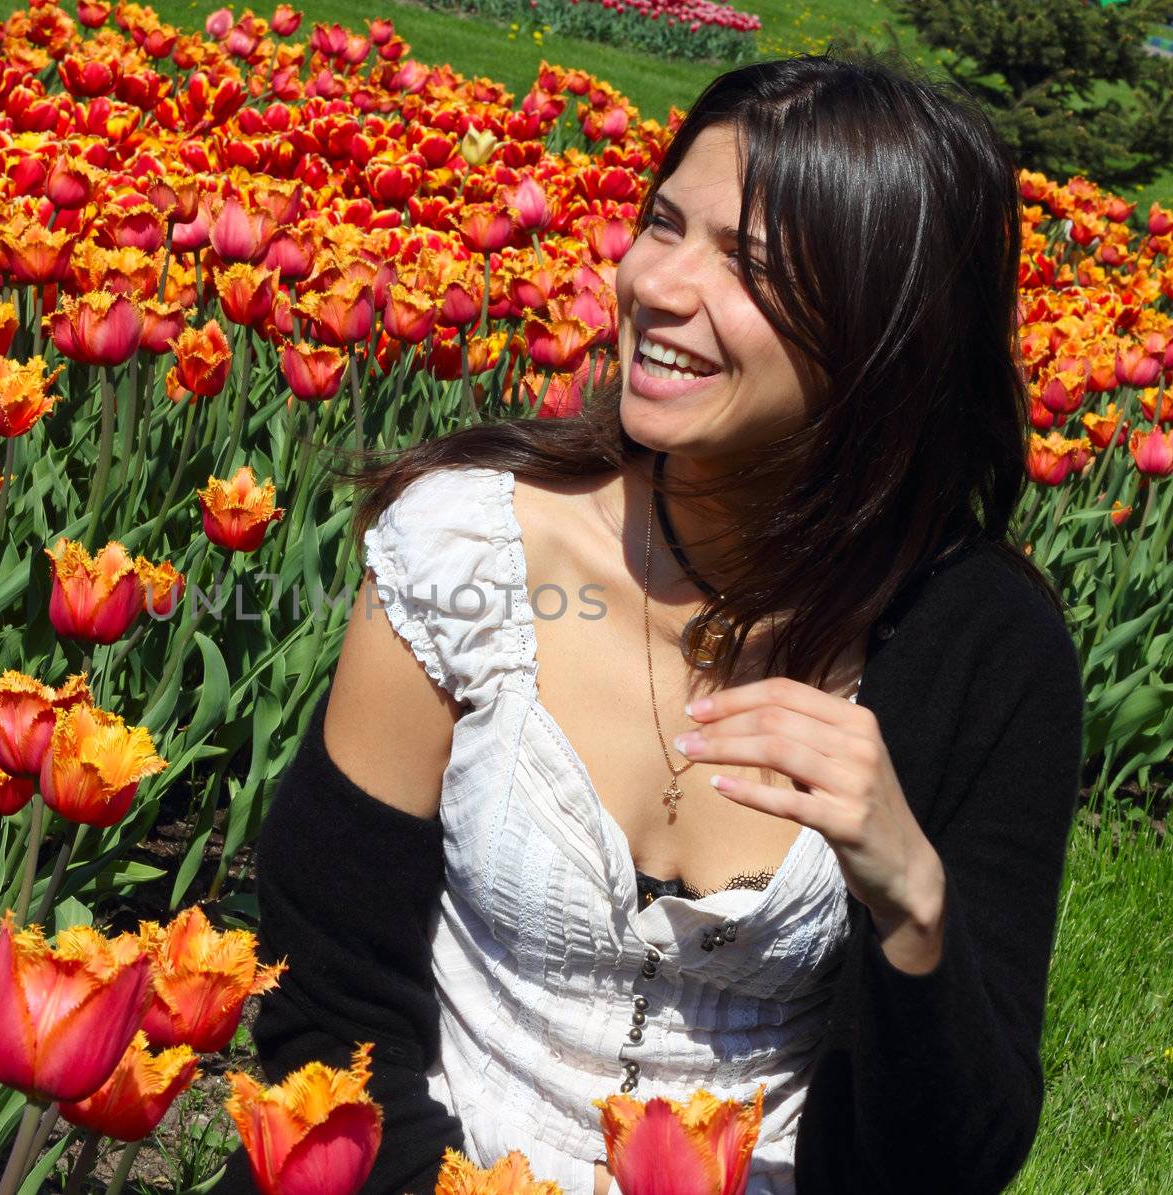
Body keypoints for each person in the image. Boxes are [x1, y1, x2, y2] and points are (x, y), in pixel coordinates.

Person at [212, 50, 1084, 1195]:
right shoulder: (467, 548)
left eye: (748, 267)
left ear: (886, 341)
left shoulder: (984, 650)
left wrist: (911, 903)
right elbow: (328, 1004)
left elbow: (945, 1162)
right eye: (663, 225)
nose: (657, 285)